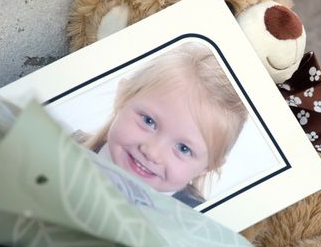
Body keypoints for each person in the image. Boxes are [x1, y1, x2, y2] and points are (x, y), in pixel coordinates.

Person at [83, 42, 248, 207]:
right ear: (122, 96)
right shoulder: (67, 146)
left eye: (183, 148)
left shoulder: (192, 223)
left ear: (208, 166)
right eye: (149, 121)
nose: (153, 153)